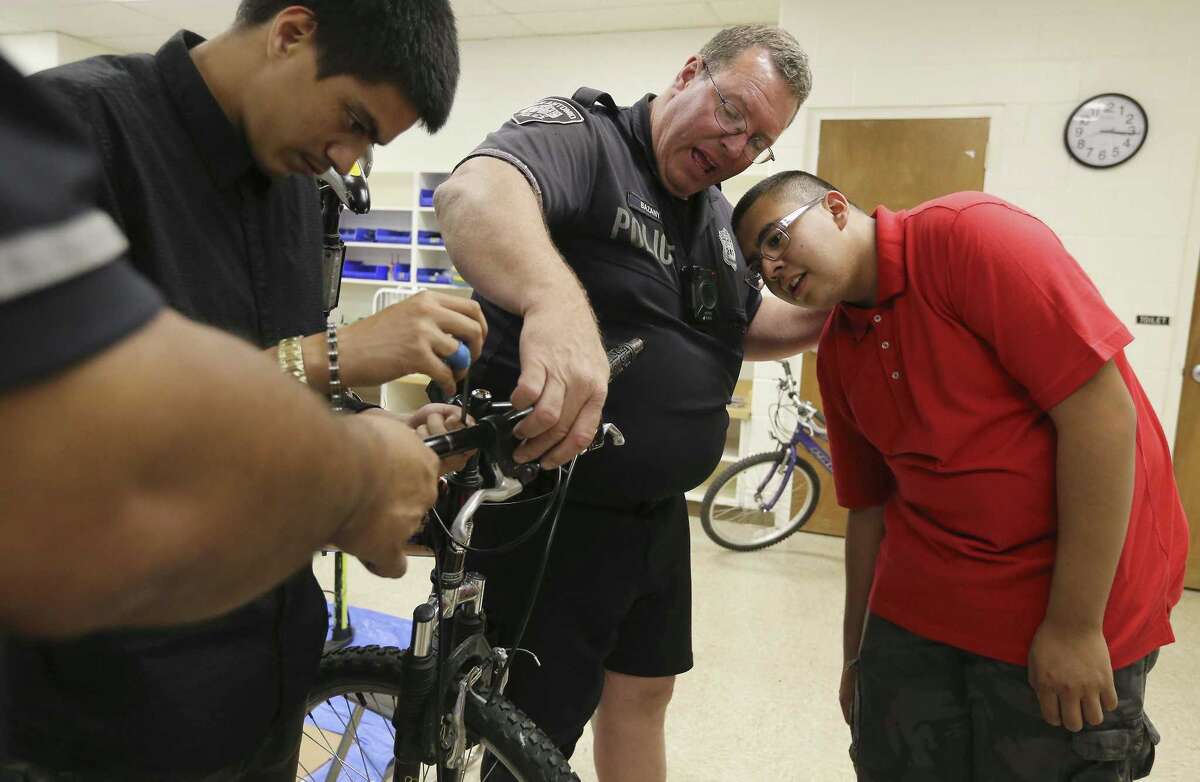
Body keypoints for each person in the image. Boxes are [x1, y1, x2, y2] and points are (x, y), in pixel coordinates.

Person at [4, 2, 478, 780]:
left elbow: (280, 406)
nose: (346, 157)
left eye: (370, 145)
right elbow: (74, 446)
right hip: (107, 717)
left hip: (269, 687)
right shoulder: (74, 131)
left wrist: (378, 436)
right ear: (290, 34)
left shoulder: (296, 183)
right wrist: (332, 356)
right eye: (353, 121)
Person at [433, 25, 828, 781]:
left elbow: (744, 325)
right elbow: (473, 195)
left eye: (760, 141)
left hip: (655, 514)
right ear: (690, 73)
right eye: (733, 112)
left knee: (645, 693)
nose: (738, 146)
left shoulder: (715, 216)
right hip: (556, 503)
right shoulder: (587, 139)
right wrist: (552, 299)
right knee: (532, 726)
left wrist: (845, 303)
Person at [731, 170, 1189, 781]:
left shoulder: (970, 237)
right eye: (757, 266)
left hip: (1066, 602)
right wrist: (856, 658)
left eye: (776, 238)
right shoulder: (840, 348)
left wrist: (1076, 626)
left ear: (836, 208)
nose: (771, 268)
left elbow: (1101, 415)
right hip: (923, 610)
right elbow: (869, 508)